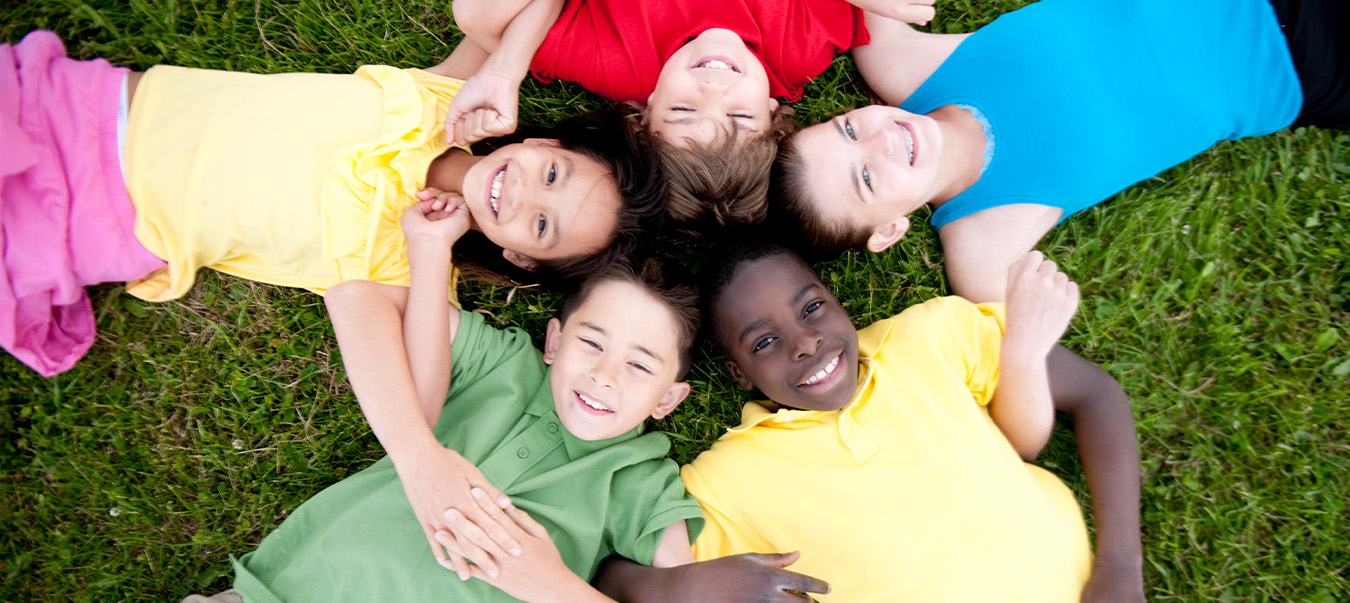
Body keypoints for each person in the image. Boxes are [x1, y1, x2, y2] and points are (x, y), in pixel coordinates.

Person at [0, 29, 663, 377]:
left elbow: (422, 390)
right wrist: (505, 68)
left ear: (517, 254)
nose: (522, 192)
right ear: (546, 139)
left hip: (92, 221)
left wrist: (431, 257)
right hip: (86, 105)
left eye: (540, 224)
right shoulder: (444, 97)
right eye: (552, 171)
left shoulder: (406, 258)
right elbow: (505, 11)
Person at [588, 241, 1144, 601]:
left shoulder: (933, 336)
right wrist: (681, 589)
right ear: (739, 374)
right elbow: (607, 569)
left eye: (812, 309)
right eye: (765, 341)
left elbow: (1097, 393)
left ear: (837, 300)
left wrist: (1120, 565)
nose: (806, 343)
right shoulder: (725, 480)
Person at [181, 244, 708, 602]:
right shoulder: (502, 365)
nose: (605, 375)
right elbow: (360, 296)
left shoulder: (641, 479)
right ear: (553, 343)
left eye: (640, 366)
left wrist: (548, 584)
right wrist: (420, 459)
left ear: (668, 399)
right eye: (591, 342)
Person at [773, 0, 1348, 302]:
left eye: (849, 130)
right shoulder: (982, 244)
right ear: (888, 232)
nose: (882, 141)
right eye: (867, 180)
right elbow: (1022, 382)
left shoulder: (902, 65)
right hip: (1301, 61)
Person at [441, 0, 935, 228]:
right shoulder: (798, 50)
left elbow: (480, 13)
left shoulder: (621, 67)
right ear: (772, 111)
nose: (715, 86)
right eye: (740, 118)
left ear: (644, 111)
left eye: (682, 110)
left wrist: (505, 70)